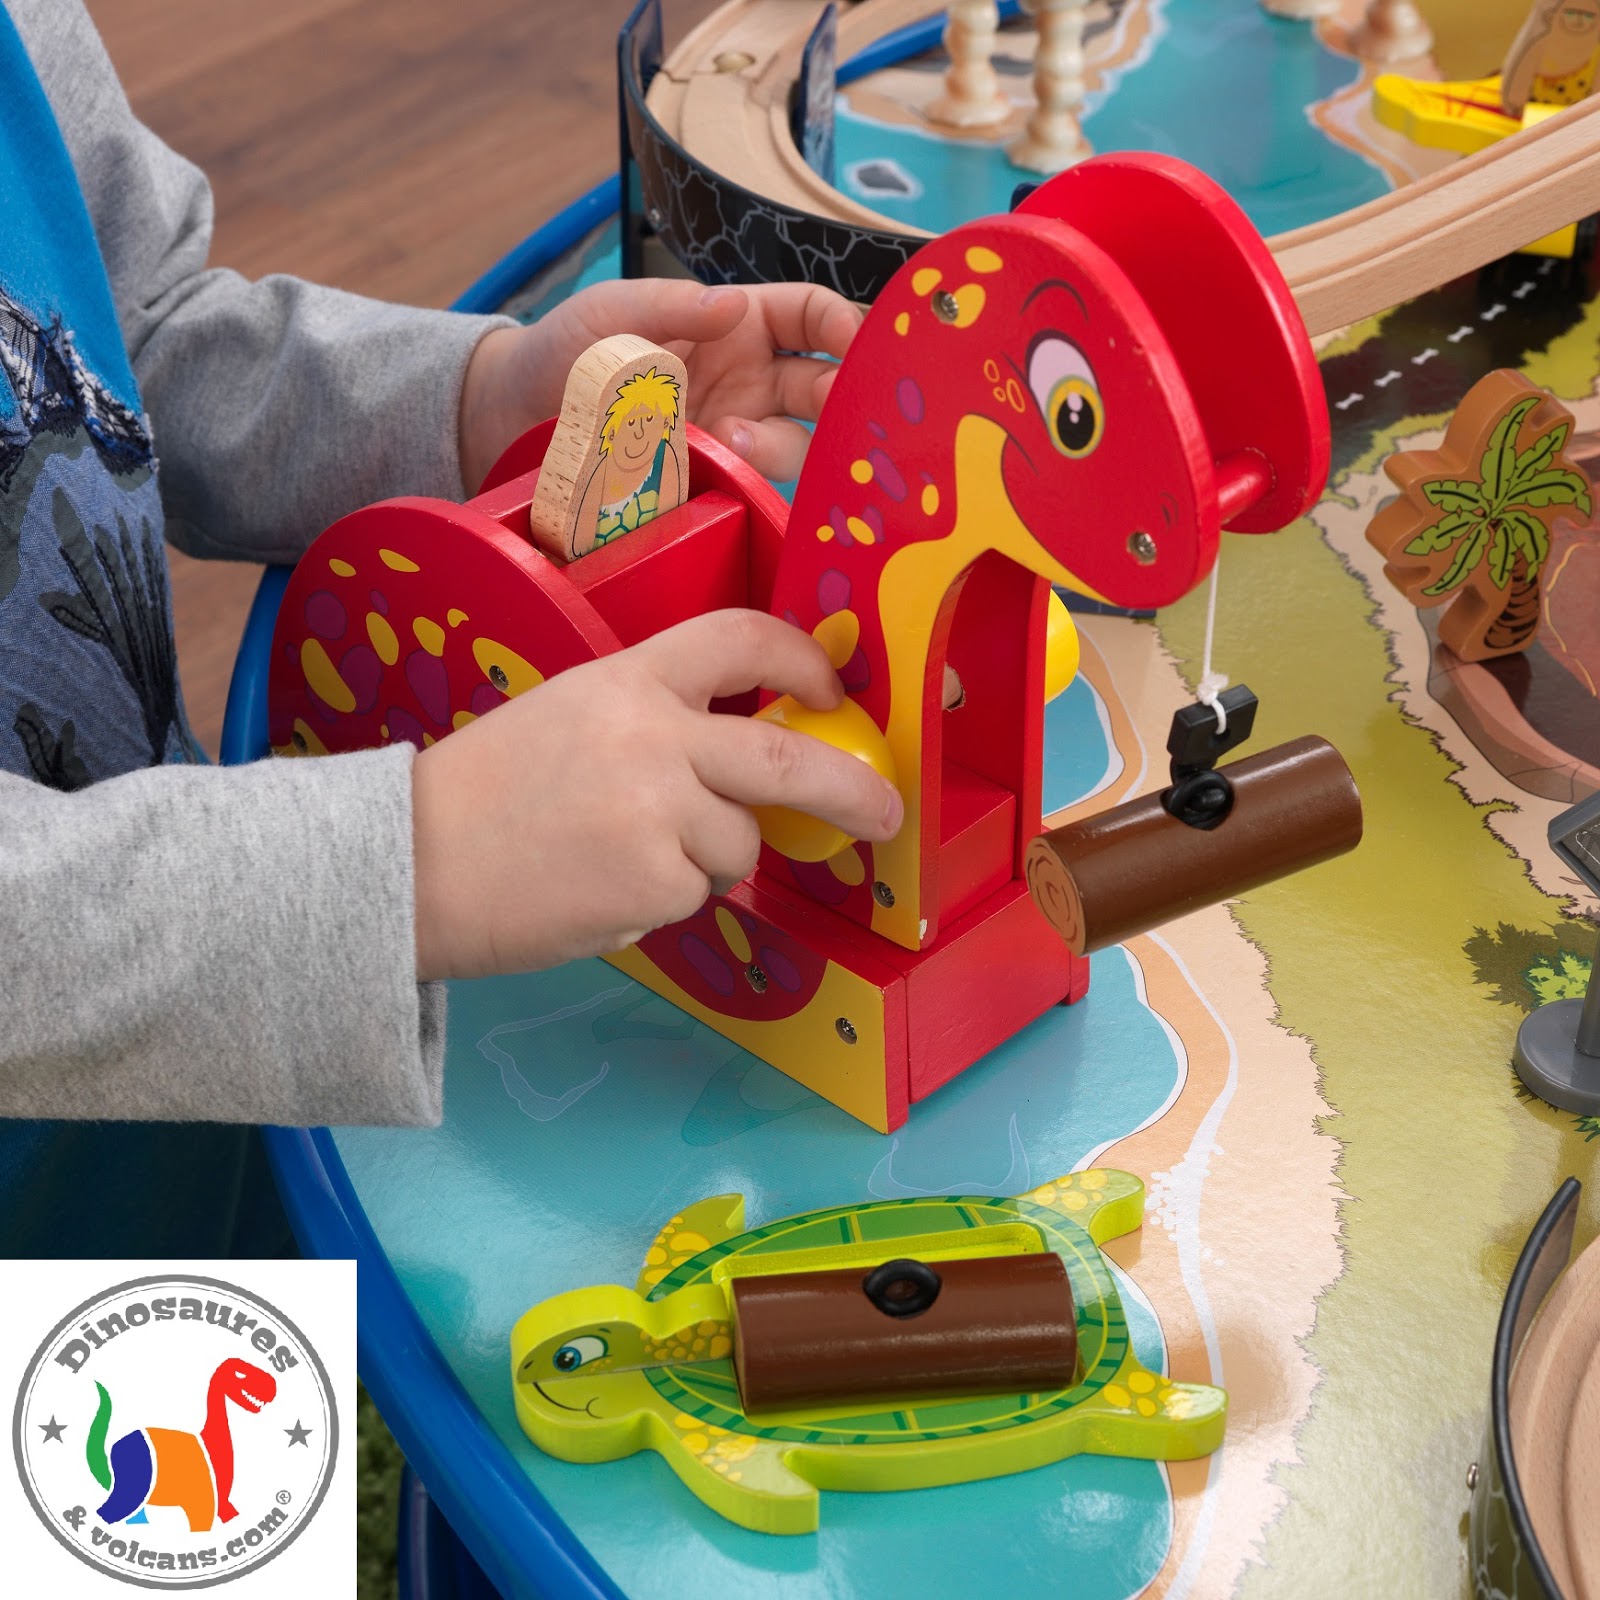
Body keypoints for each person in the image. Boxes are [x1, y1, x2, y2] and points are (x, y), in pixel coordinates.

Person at [0, 1, 902, 1258]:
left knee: (243, 1367)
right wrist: (413, 861)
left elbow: (136, 330)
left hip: (201, 1080)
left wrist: (473, 407)